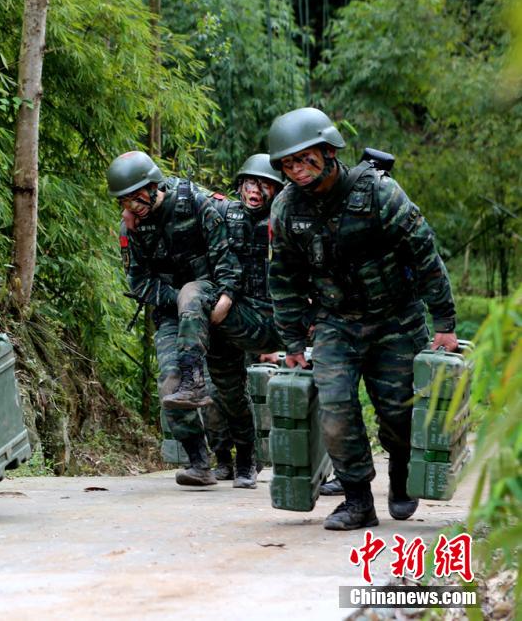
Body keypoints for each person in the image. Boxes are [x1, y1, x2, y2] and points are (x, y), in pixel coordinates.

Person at [266, 107, 458, 530]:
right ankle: (357, 500)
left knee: (398, 413)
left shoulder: (379, 193)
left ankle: (401, 474)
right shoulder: (286, 210)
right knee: (335, 409)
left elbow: (424, 254)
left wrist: (443, 323)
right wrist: (293, 343)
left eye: (305, 159)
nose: (297, 170)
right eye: (289, 164)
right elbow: (283, 279)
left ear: (330, 152)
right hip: (336, 322)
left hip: (396, 320)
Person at [109, 151, 279, 489]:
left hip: (214, 305)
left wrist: (223, 297)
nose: (131, 205)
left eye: (135, 196)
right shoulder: (132, 229)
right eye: (124, 200)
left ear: (153, 186)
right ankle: (199, 462)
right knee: (170, 388)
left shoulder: (197, 204)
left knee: (229, 389)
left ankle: (245, 457)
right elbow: (139, 282)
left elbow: (227, 258)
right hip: (175, 312)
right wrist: (180, 300)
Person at [202, 154, 285, 480]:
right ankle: (223, 457)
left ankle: (248, 459)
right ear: (240, 186)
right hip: (229, 317)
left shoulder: (285, 221)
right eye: (250, 183)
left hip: (268, 320)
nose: (255, 191)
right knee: (221, 391)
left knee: (240, 392)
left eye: (264, 185)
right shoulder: (223, 214)